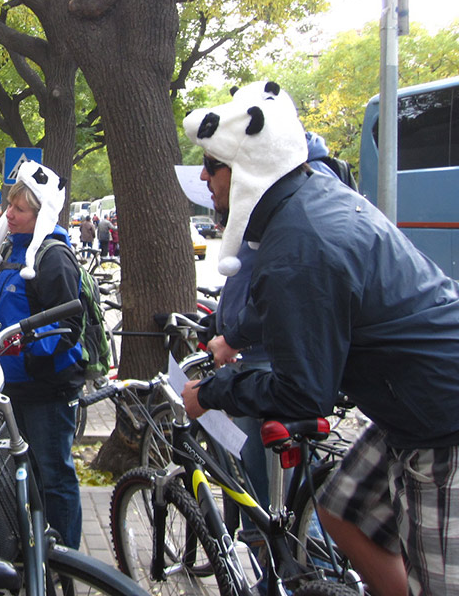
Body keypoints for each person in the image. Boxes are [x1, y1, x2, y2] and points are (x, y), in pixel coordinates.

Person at [181, 80, 459, 596]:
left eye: (212, 164)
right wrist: (232, 339)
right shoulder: (307, 200)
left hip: (441, 419)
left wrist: (213, 392)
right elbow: (294, 302)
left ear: (246, 167)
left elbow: (303, 393)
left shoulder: (298, 241)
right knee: (339, 510)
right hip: (410, 406)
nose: (203, 176)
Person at [0, 160, 85, 548]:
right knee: (27, 474)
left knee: (54, 476)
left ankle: (66, 560)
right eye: (10, 205)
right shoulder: (12, 251)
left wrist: (30, 353)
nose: (9, 214)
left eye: (19, 209)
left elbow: (66, 325)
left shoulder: (53, 257)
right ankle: (34, 549)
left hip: (46, 389)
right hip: (14, 388)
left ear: (40, 215)